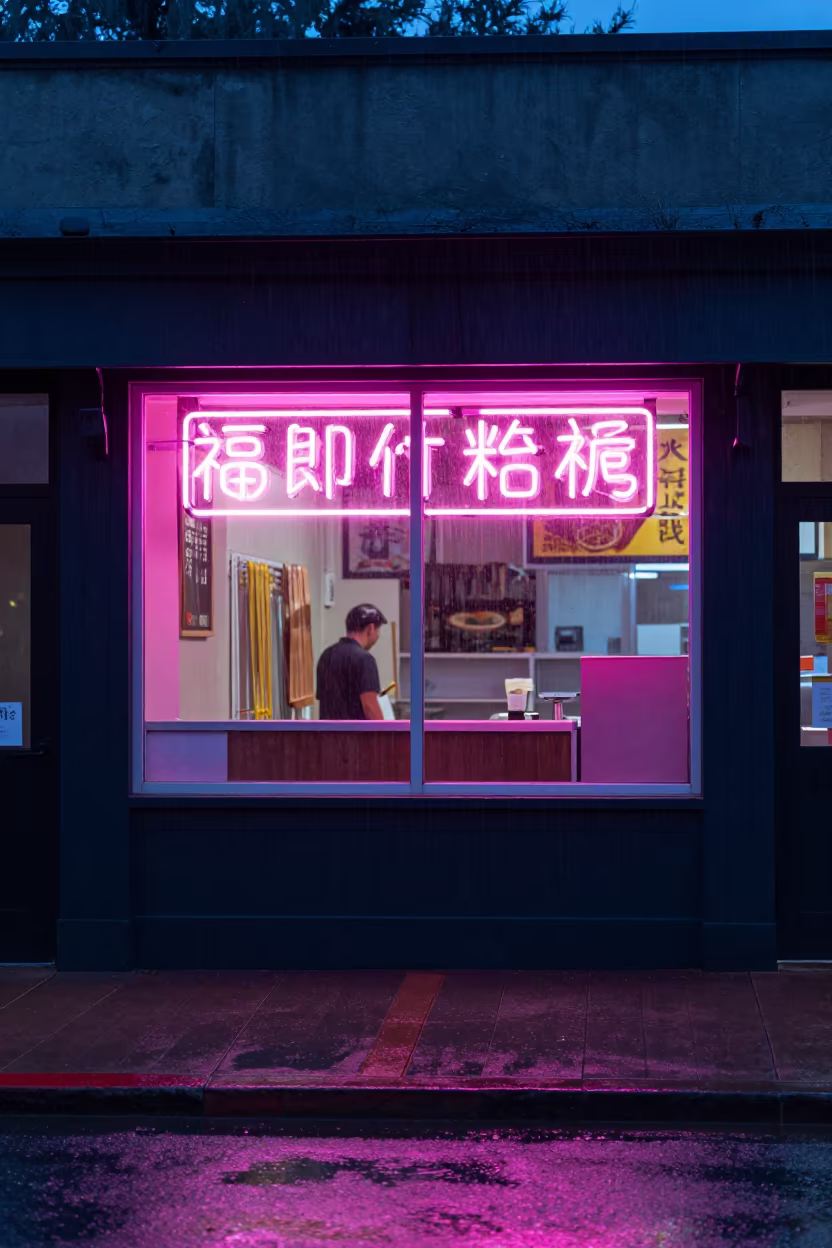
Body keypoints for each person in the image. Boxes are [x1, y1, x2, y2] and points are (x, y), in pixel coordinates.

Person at [316, 604, 388, 721]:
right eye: (377, 630)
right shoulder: (365, 660)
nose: (378, 635)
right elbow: (370, 707)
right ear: (370, 628)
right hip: (356, 737)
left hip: (327, 736)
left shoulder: (326, 656)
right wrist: (386, 736)